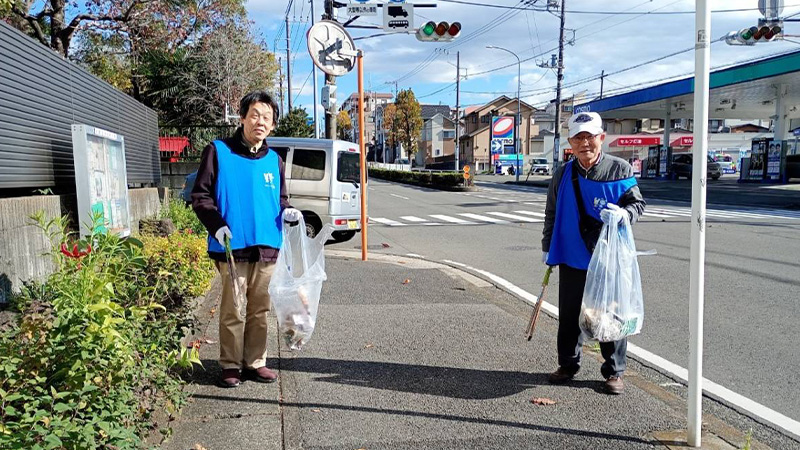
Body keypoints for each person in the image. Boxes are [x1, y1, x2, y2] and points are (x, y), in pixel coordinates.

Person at [192, 91, 302, 388]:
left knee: (260, 310)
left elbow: (281, 201)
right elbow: (200, 196)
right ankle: (230, 364)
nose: (260, 122)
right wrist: (216, 226)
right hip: (231, 247)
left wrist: (290, 213)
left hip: (267, 246)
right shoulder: (218, 151)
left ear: (273, 125)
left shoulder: (274, 161)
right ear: (242, 118)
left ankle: (255, 362)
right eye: (254, 115)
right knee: (234, 309)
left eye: (267, 117)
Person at [541, 111, 646, 395]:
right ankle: (568, 364)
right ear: (570, 142)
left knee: (611, 315)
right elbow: (551, 212)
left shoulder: (620, 169)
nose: (584, 143)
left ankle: (614, 371)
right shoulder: (563, 174)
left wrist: (624, 214)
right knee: (570, 315)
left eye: (590, 136)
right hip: (572, 254)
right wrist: (547, 246)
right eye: (578, 137)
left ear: (602, 138)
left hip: (609, 258)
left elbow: (637, 205)